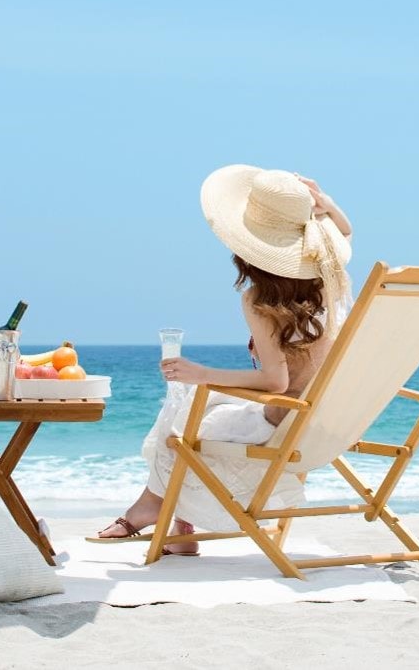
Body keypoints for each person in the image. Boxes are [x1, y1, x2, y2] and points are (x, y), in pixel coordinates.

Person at [94, 165, 353, 551]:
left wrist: (200, 372)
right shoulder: (331, 280)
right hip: (326, 421)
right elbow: (344, 232)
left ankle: (153, 510)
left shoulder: (261, 299)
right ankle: (176, 524)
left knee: (182, 423)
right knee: (194, 406)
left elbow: (275, 383)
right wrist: (325, 204)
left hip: (282, 418)